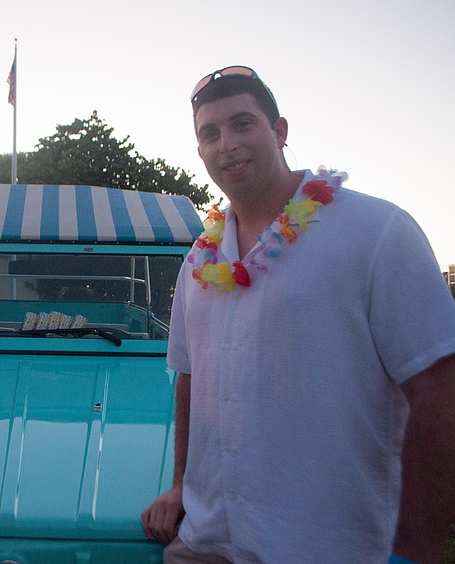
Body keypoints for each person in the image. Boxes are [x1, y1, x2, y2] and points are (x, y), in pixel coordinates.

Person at [141, 65, 455, 563]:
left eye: (243, 124)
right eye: (210, 133)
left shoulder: (376, 232)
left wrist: (414, 554)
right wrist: (180, 486)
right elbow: (190, 378)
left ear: (280, 131)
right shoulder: (200, 261)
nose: (227, 144)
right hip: (206, 544)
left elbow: (440, 389)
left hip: (328, 548)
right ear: (199, 150)